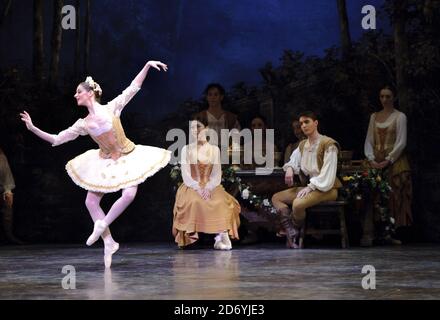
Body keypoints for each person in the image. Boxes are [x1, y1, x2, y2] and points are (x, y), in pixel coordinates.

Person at [20, 60, 171, 267]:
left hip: (128, 155)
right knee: (90, 201)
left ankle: (102, 225)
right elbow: (57, 139)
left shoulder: (112, 108)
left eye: (78, 92)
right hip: (105, 161)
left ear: (89, 93)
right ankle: (109, 241)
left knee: (129, 193)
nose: (75, 95)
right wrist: (33, 128)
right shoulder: (83, 124)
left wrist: (146, 65)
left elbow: (133, 88)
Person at [271, 111, 342, 248]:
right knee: (276, 197)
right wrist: (290, 169)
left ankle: (293, 228)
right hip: (310, 186)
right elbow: (293, 161)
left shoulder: (328, 144)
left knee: (297, 204)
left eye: (307, 122)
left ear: (315, 123)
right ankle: (291, 229)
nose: (303, 125)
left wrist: (310, 187)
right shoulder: (303, 145)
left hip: (327, 187)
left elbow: (328, 173)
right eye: (301, 123)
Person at [172, 119, 241, 250]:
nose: (195, 130)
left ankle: (221, 237)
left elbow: (216, 174)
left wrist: (208, 187)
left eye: (198, 127)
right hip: (191, 185)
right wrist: (198, 187)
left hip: (211, 185)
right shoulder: (186, 149)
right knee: (194, 202)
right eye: (192, 128)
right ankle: (189, 237)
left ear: (206, 128)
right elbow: (186, 175)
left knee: (221, 202)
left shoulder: (214, 150)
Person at [364, 86, 412, 242]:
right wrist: (371, 158)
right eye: (382, 96)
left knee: (395, 195)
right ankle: (378, 232)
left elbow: (401, 142)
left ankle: (394, 232)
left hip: (394, 161)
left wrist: (389, 159)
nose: (384, 99)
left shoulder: (400, 117)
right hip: (376, 162)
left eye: (388, 96)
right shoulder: (374, 116)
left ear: (394, 98)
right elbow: (369, 140)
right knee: (376, 196)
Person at [0, 147, 23, 244]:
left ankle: (9, 235)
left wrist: (7, 189)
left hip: (2, 188)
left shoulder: (1, 157)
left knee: (8, 205)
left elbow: (6, 173)